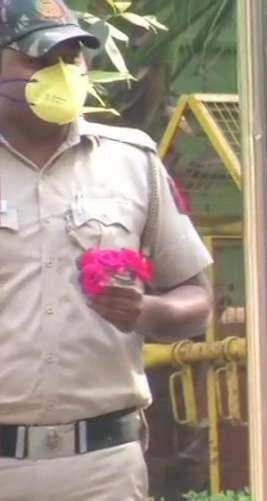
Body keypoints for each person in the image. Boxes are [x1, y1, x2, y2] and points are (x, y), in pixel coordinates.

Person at [0, 0, 213, 499]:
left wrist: (146, 311)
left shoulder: (131, 161)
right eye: (39, 60)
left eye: (71, 58)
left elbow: (197, 299)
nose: (61, 74)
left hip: (103, 466)